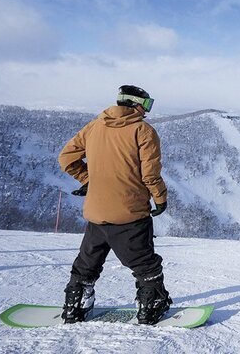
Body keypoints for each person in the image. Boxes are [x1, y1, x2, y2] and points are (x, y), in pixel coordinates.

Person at [58, 85, 171, 325]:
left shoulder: (94, 126)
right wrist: (160, 199)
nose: (147, 110)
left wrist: (90, 179)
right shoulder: (143, 131)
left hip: (96, 215)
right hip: (130, 215)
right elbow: (150, 175)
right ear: (134, 103)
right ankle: (151, 306)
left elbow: (66, 158)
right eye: (147, 104)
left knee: (86, 266)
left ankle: (75, 306)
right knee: (145, 265)